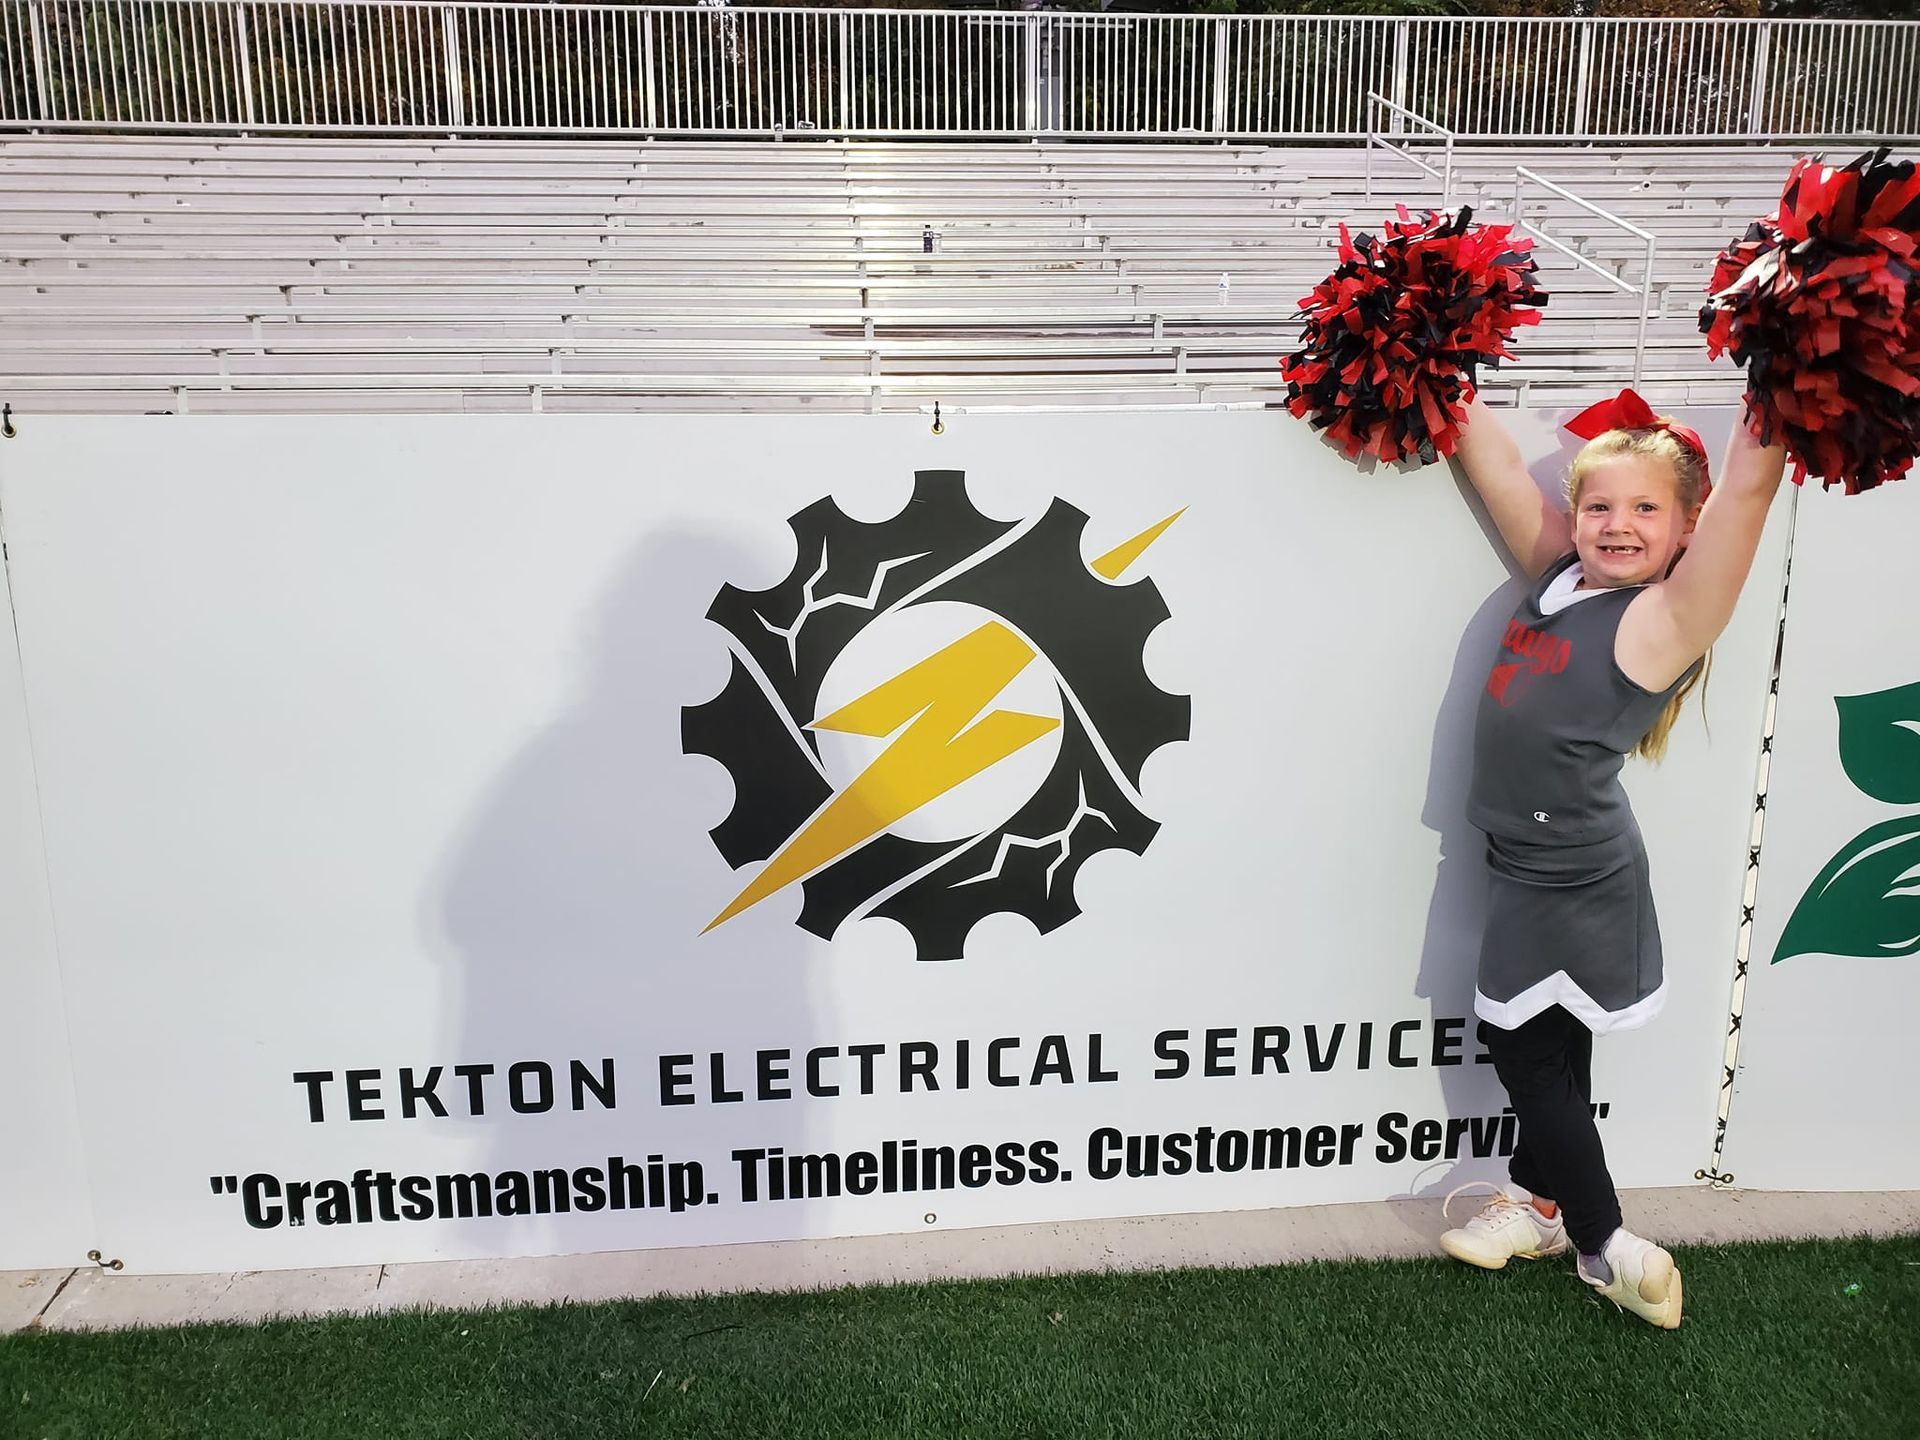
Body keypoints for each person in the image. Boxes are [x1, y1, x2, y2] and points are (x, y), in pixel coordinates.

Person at [1435, 388, 1786, 1329]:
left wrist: (1783, 382)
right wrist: (1425, 354)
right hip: (1531, 859)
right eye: (1600, 506)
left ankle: (1601, 1242)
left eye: (1646, 510)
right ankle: (1537, 1204)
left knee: (1518, 1044)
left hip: (1574, 873)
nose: (1617, 526)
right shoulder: (1560, 577)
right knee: (1554, 1030)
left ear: (1683, 531)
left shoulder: (1664, 618)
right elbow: (1500, 468)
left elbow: (1748, 496)